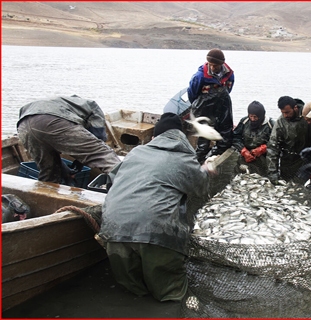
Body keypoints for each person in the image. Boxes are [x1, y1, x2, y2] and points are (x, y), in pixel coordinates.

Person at [98, 112, 215, 302]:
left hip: (113, 232)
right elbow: (200, 188)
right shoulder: (183, 158)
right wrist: (206, 170)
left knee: (132, 289)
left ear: (154, 138)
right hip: (156, 234)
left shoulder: (135, 153)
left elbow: (112, 183)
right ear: (181, 137)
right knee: (169, 292)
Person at [16, 95, 121, 184]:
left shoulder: (61, 103)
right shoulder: (92, 106)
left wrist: (63, 167)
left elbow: (47, 143)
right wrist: (82, 160)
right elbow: (99, 137)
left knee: (49, 172)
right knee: (104, 154)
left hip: (23, 125)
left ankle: (45, 200)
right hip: (51, 120)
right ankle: (130, 185)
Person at [187, 48, 235, 163]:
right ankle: (199, 162)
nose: (213, 67)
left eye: (216, 65)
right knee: (203, 140)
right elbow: (192, 94)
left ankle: (215, 157)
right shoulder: (199, 76)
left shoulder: (229, 75)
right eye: (211, 65)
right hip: (204, 108)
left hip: (222, 106)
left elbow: (228, 90)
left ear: (222, 64)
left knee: (225, 134)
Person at [266, 96, 311, 184]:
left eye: (288, 112)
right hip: (288, 162)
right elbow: (273, 148)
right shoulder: (281, 122)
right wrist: (273, 174)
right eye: (283, 113)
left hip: (308, 160)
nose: (285, 115)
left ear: (295, 108)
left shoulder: (308, 115)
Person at [232, 101, 275, 176]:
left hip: (264, 156)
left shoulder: (271, 124)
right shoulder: (244, 121)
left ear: (261, 115)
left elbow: (277, 141)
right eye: (250, 116)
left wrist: (264, 148)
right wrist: (243, 150)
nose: (252, 119)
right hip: (246, 154)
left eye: (255, 117)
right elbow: (235, 137)